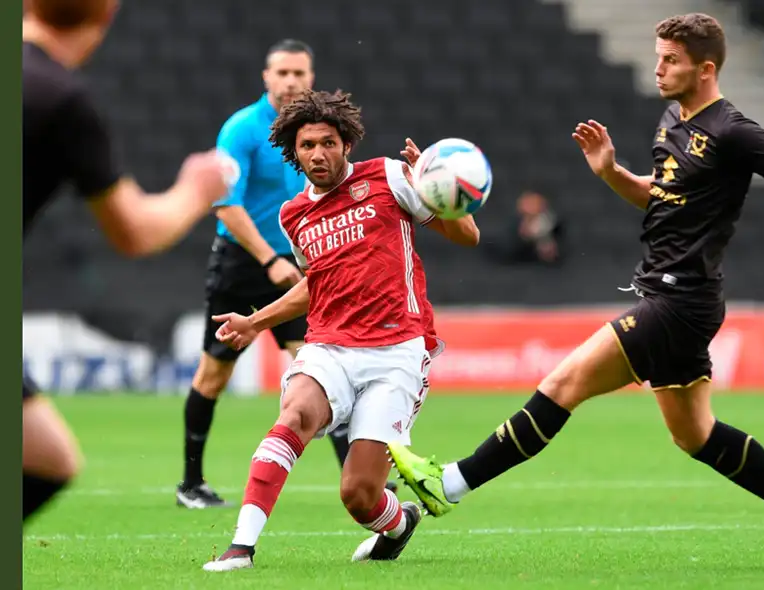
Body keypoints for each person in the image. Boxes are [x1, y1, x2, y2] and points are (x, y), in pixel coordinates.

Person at [387, 13, 764, 570]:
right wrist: (612, 172)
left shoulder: (735, 132)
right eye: (658, 57)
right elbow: (659, 197)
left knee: (563, 384)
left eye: (671, 60)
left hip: (678, 301)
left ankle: (449, 485)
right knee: (695, 434)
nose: (658, 69)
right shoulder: (673, 121)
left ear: (705, 68)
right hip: (681, 299)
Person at [201, 90, 481, 571]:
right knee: (293, 417)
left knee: (358, 495)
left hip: (397, 351)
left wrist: (432, 189)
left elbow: (468, 236)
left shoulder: (389, 176)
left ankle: (398, 523)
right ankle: (241, 547)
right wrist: (254, 321)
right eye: (307, 145)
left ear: (345, 143)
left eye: (328, 142)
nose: (318, 154)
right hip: (329, 345)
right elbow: (316, 284)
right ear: (294, 151)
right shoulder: (294, 214)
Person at [23, 0, 231, 522]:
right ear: (108, 14)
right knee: (49, 461)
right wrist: (197, 187)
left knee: (44, 453)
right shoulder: (62, 100)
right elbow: (135, 231)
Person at [176, 39, 395, 509]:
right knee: (213, 375)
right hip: (241, 264)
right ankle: (190, 484)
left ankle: (361, 482)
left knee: (326, 372)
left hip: (300, 270)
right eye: (282, 73)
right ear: (266, 78)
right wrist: (269, 260)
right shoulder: (242, 129)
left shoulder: (313, 133)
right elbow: (225, 204)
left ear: (311, 78)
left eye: (299, 73)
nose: (291, 81)